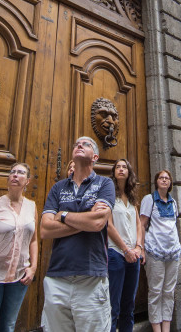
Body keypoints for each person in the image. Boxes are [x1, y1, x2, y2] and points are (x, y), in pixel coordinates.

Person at [40, 137, 115, 332]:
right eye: (76, 144)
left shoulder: (105, 184)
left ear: (95, 157)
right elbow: (45, 229)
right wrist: (87, 219)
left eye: (86, 144)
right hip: (57, 277)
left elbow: (98, 222)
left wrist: (63, 215)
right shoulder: (58, 188)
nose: (79, 145)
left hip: (91, 278)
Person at [0, 163, 38, 332]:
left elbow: (33, 240)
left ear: (27, 180)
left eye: (20, 173)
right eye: (12, 172)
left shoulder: (32, 207)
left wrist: (33, 267)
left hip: (19, 276)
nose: (15, 175)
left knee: (8, 326)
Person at [139, 170, 181, 332]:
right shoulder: (149, 200)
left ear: (170, 183)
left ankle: (166, 327)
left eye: (167, 178)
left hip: (173, 252)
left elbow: (173, 226)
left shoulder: (173, 202)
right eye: (161, 178)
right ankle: (156, 328)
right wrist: (141, 248)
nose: (164, 180)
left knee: (169, 292)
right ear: (156, 181)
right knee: (155, 291)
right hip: (154, 251)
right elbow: (142, 225)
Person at [106, 159, 144, 332]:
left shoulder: (131, 197)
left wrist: (139, 247)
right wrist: (125, 249)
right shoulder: (108, 195)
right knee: (113, 305)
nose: (121, 169)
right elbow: (108, 225)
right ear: (113, 172)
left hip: (133, 255)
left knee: (129, 305)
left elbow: (139, 225)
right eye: (118, 167)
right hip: (116, 254)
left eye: (124, 167)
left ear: (129, 172)